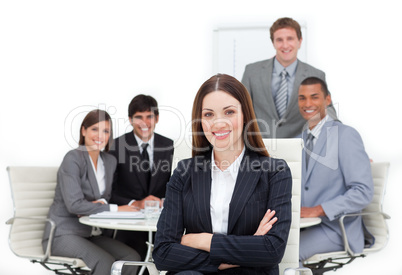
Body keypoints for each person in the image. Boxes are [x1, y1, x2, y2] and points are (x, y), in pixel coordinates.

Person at [153, 74, 292, 275]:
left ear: (245, 115)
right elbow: (163, 253)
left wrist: (201, 240)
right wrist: (245, 249)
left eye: (229, 112)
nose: (218, 123)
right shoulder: (184, 173)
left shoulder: (274, 172)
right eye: (209, 114)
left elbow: (272, 250)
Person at [42, 109, 141, 275]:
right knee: (104, 261)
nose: (100, 136)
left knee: (131, 257)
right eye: (95, 129)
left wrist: (92, 206)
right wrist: (114, 208)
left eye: (106, 131)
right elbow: (74, 205)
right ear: (83, 130)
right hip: (63, 234)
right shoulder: (73, 158)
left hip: (91, 232)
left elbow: (103, 199)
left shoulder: (109, 161)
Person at [297, 77, 374, 262]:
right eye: (302, 98)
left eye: (314, 97)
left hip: (336, 229)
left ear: (328, 100)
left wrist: (318, 209)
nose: (307, 103)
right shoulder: (299, 139)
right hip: (303, 226)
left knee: (288, 254)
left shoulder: (345, 135)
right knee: (264, 247)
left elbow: (363, 192)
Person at [241, 17, 337, 138]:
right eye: (279, 40)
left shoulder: (315, 74)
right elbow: (241, 109)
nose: (285, 45)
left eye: (290, 39)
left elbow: (328, 110)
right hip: (260, 146)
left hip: (299, 147)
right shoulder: (252, 72)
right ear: (273, 43)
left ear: (299, 41)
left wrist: (341, 135)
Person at [109, 94, 174, 260]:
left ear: (157, 118)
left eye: (149, 117)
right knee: (134, 259)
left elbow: (171, 183)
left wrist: (163, 200)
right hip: (128, 224)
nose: (144, 123)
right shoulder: (116, 146)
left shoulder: (167, 145)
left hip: (158, 222)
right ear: (130, 119)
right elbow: (110, 191)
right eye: (139, 117)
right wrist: (135, 203)